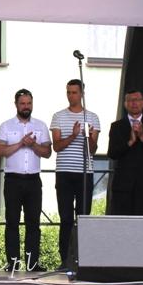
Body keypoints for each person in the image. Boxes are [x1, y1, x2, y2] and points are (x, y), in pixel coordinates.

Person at [0, 88, 51, 272]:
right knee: (12, 222)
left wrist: (33, 144)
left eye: (29, 103)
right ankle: (13, 263)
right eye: (23, 103)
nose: (26, 106)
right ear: (16, 105)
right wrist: (20, 143)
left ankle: (32, 264)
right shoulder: (6, 126)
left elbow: (47, 152)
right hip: (13, 180)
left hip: (33, 180)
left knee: (33, 223)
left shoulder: (41, 126)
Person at [49, 79, 100, 270]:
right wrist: (73, 135)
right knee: (66, 218)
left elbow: (92, 150)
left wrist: (88, 137)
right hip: (64, 172)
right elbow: (56, 146)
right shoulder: (58, 116)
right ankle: (65, 260)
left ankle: (83, 259)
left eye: (74, 92)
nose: (71, 96)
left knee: (83, 217)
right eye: (68, 92)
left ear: (82, 94)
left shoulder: (92, 117)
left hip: (84, 173)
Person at [107, 89, 143, 215]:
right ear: (125, 104)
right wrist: (130, 142)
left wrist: (142, 137)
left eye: (137, 100)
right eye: (130, 100)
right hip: (123, 185)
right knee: (122, 221)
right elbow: (112, 154)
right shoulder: (117, 126)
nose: (134, 103)